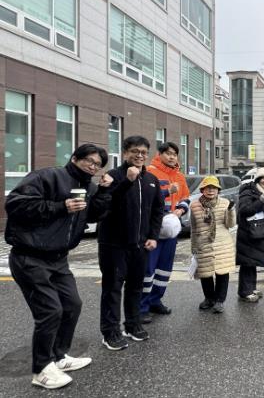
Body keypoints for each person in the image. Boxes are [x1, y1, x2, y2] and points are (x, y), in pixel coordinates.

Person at [5, 144, 113, 389]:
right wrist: (60, 206)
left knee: (72, 305)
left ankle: (59, 356)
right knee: (50, 311)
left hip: (58, 258)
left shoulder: (89, 187)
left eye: (98, 165)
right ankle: (41, 369)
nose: (93, 167)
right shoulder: (47, 176)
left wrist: (105, 191)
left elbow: (95, 214)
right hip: (29, 256)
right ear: (75, 158)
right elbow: (15, 204)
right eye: (89, 161)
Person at [98, 136, 164, 351]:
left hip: (140, 245)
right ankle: (110, 332)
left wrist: (153, 236)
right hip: (114, 245)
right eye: (135, 151)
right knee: (112, 289)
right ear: (125, 153)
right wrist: (127, 181)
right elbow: (105, 205)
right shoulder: (113, 176)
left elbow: (157, 210)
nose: (139, 155)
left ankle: (132, 325)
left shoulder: (151, 179)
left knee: (136, 287)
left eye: (143, 152)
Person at [140, 142, 190, 323]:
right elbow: (144, 199)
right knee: (148, 269)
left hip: (171, 228)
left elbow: (185, 197)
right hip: (152, 229)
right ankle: (141, 307)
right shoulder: (149, 172)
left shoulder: (179, 176)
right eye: (168, 153)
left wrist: (181, 210)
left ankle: (155, 300)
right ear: (159, 154)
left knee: (164, 269)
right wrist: (168, 191)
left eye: (174, 154)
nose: (171, 157)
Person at [190, 176, 236, 313]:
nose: (211, 190)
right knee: (205, 273)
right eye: (207, 188)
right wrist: (193, 246)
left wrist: (231, 211)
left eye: (214, 188)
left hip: (223, 244)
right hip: (203, 243)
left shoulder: (225, 203)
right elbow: (193, 227)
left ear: (218, 190)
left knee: (222, 273)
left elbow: (230, 224)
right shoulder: (195, 205)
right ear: (202, 190)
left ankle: (220, 301)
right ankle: (209, 298)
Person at [236, 168, 264, 302]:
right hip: (248, 233)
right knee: (247, 263)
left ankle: (251, 287)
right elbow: (244, 210)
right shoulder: (248, 191)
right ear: (257, 179)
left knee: (253, 262)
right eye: (263, 178)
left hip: (257, 232)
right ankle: (245, 292)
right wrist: (260, 201)